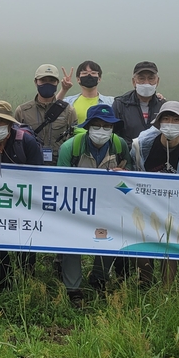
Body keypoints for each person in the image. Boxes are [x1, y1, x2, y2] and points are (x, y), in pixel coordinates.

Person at [56, 104, 134, 302]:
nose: (102, 131)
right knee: (73, 240)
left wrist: (125, 176)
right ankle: (73, 288)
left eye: (107, 126)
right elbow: (61, 181)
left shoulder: (119, 146)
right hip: (77, 202)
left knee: (108, 238)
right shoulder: (70, 148)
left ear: (113, 128)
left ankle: (99, 278)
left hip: (109, 204)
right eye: (96, 125)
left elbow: (131, 180)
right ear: (88, 126)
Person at [131, 101, 179, 288]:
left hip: (176, 207)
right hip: (145, 204)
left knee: (170, 246)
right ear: (159, 123)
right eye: (166, 119)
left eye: (176, 120)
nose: (171, 123)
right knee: (143, 245)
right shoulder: (142, 146)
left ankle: (166, 291)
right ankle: (145, 285)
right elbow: (132, 172)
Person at [0, 100, 43, 289]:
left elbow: (38, 175)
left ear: (10, 123)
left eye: (0, 122)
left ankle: (27, 280)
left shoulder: (26, 141)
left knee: (25, 242)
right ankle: (3, 282)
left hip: (23, 201)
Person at [14, 64, 78, 166]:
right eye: (43, 80)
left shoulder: (68, 111)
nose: (47, 84)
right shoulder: (22, 111)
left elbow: (74, 142)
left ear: (57, 83)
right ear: (36, 82)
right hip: (30, 166)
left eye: (52, 81)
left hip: (59, 166)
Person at [113, 61, 164, 144]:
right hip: (127, 155)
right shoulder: (120, 104)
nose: (146, 83)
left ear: (157, 81)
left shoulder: (163, 106)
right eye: (141, 78)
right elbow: (114, 135)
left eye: (151, 78)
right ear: (134, 81)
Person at [57, 60, 115, 125]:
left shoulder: (111, 102)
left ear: (99, 79)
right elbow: (52, 109)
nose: (89, 75)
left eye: (93, 73)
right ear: (78, 79)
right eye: (84, 73)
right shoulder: (68, 102)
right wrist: (64, 89)